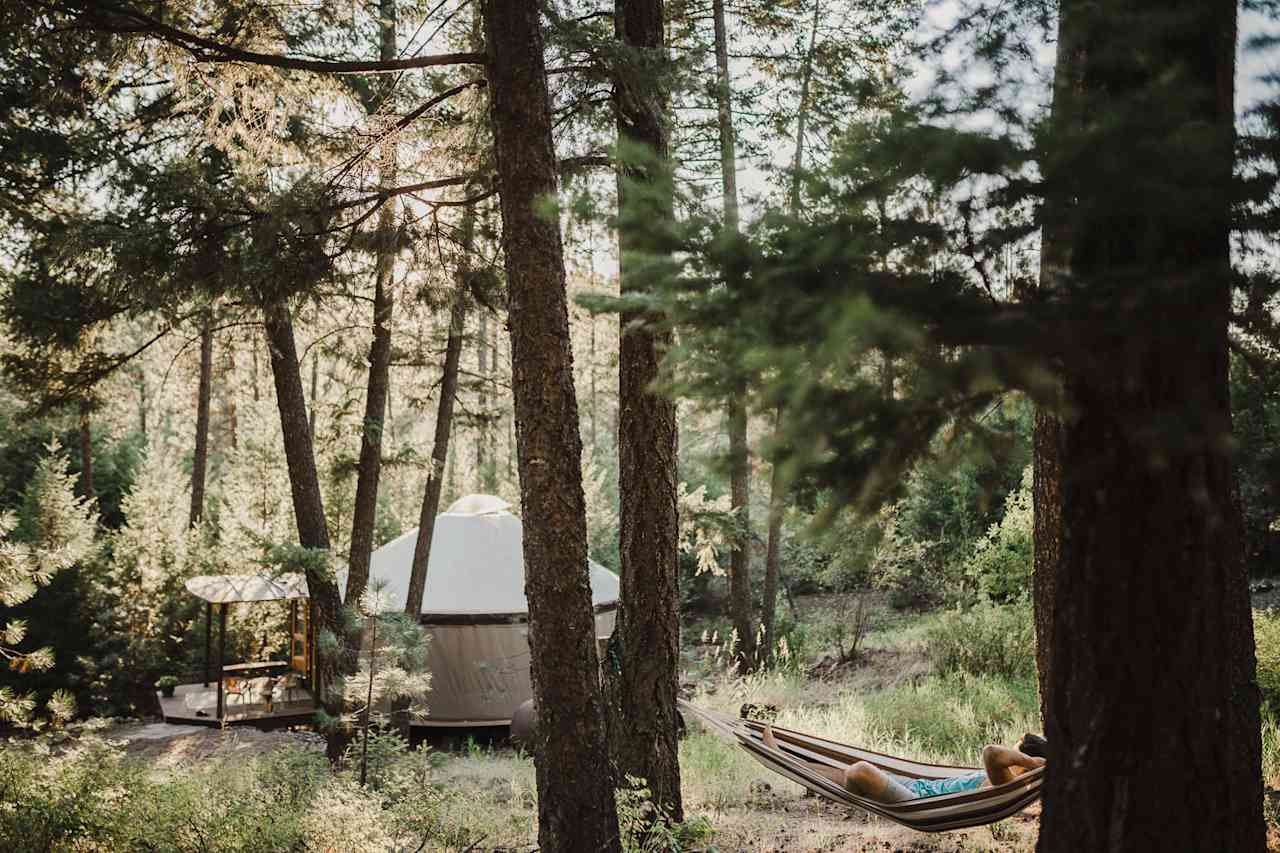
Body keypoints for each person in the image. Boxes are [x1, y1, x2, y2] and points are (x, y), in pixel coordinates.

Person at [762, 726, 1045, 802]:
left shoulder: (1007, 783)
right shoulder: (1011, 775)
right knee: (844, 773)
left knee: (859, 771)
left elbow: (991, 752)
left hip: (916, 804)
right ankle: (786, 760)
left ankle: (787, 761)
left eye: (1016, 751)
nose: (1012, 751)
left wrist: (1031, 762)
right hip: (918, 787)